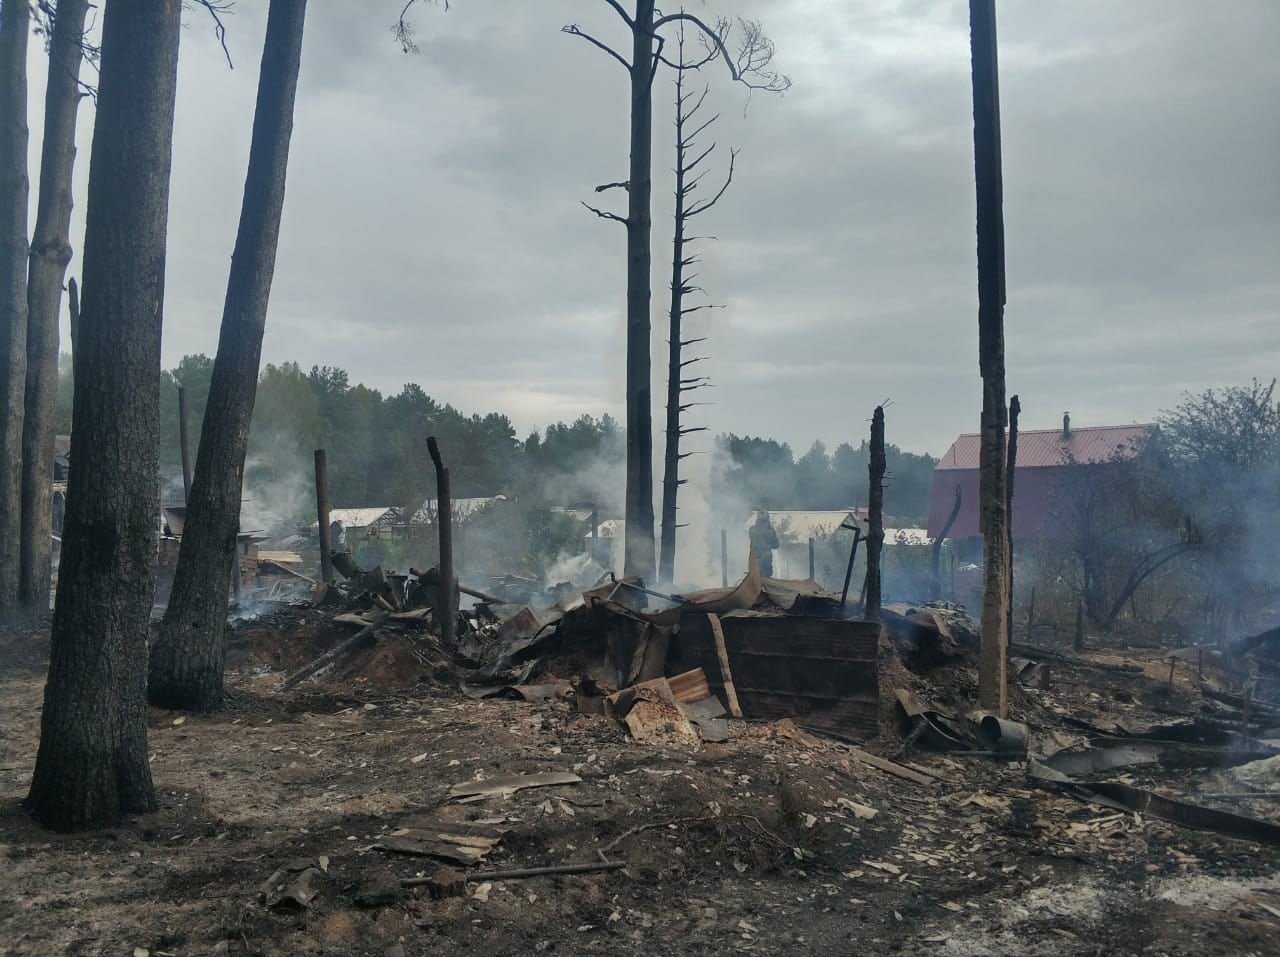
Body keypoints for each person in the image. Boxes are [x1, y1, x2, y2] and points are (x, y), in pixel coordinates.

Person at [749, 510, 779, 578]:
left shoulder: (752, 529)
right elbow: (776, 545)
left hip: (754, 557)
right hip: (765, 555)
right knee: (766, 577)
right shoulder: (770, 530)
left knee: (755, 576)